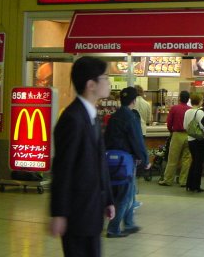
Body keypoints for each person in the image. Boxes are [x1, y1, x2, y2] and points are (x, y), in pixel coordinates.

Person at [50, 56, 115, 257]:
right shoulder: (72, 119)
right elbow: (63, 169)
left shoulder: (92, 116)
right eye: (105, 77)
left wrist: (108, 199)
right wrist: (59, 213)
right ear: (91, 85)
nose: (109, 82)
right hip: (77, 212)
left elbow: (99, 162)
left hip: (92, 208)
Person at [104, 87, 149, 238]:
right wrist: (145, 159)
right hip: (125, 161)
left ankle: (129, 223)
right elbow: (137, 140)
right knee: (125, 195)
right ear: (134, 101)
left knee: (127, 193)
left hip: (110, 159)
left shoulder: (114, 116)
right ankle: (113, 228)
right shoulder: (131, 117)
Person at [159, 91, 192, 187]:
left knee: (173, 158)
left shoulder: (174, 108)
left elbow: (169, 122)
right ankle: (183, 181)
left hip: (177, 134)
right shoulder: (190, 110)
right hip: (188, 135)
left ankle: (168, 180)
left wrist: (171, 131)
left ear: (179, 98)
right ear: (188, 99)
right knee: (186, 159)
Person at [183, 94, 204, 192]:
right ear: (200, 101)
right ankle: (196, 185)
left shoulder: (187, 111)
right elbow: (203, 126)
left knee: (194, 161)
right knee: (199, 163)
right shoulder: (200, 112)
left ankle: (189, 184)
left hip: (190, 139)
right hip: (199, 140)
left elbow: (184, 126)